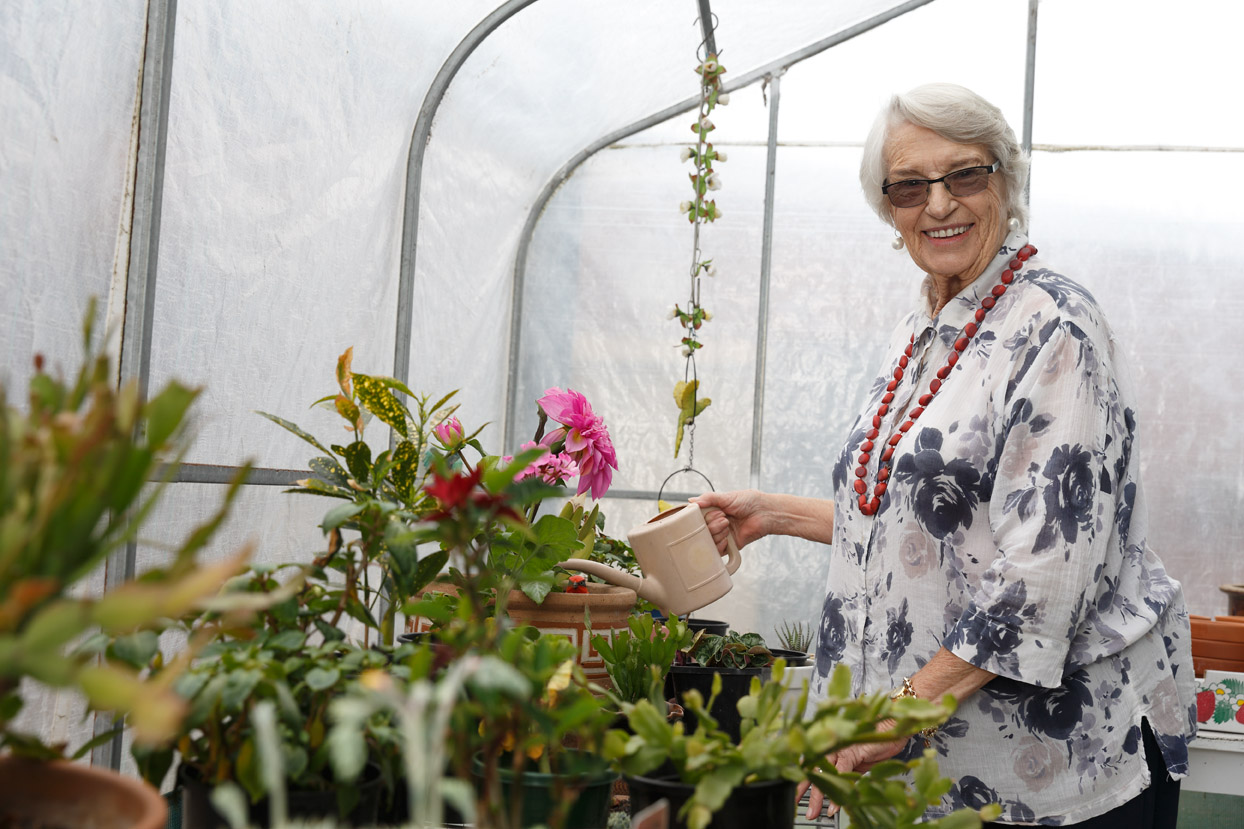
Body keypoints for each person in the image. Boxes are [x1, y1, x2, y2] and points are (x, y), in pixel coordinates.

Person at [692, 83, 1196, 827]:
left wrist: (897, 715)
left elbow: (1045, 573)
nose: (938, 204)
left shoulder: (1055, 327)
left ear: (1006, 181)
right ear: (888, 209)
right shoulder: (925, 325)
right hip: (925, 773)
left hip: (1044, 775)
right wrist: (773, 514)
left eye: (965, 175)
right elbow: (934, 523)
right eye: (909, 186)